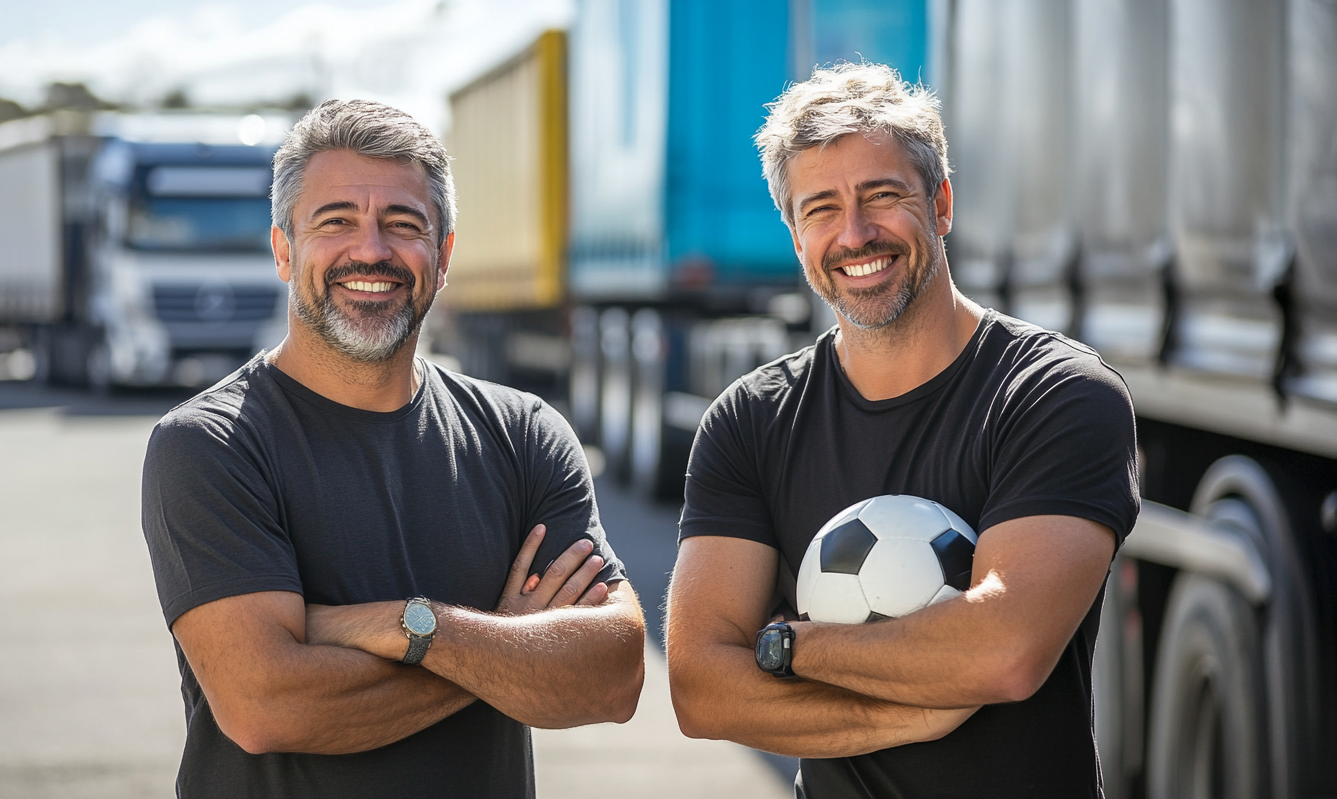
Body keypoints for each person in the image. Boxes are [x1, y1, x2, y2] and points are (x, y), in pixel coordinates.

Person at [141, 99, 646, 799]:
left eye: (403, 224)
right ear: (284, 250)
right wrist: (505, 643)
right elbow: (266, 707)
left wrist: (413, 626)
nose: (371, 250)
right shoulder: (211, 445)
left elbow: (613, 673)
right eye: (336, 221)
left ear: (442, 257)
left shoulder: (523, 433)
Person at [664, 62, 1139, 797]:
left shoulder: (1055, 394)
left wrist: (789, 646)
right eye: (820, 208)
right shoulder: (750, 420)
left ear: (941, 203)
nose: (855, 235)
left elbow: (1006, 651)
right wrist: (916, 711)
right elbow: (699, 687)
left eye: (882, 196)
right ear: (794, 234)